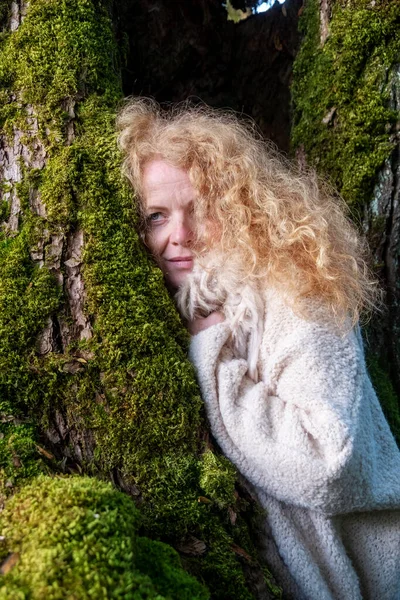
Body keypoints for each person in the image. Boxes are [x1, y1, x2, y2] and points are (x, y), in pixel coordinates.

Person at [117, 98, 400, 600]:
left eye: (198, 210)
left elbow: (328, 462)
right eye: (156, 216)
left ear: (237, 206)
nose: (178, 236)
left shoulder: (298, 287)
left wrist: (214, 354)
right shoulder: (179, 305)